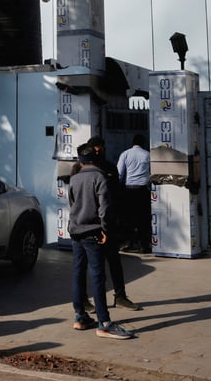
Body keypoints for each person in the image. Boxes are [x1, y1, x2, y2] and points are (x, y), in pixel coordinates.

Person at [68, 141, 135, 340]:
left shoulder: (74, 179)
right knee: (98, 276)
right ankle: (104, 323)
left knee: (78, 273)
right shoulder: (100, 177)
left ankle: (80, 316)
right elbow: (104, 208)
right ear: (96, 158)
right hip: (93, 232)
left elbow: (72, 204)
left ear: (81, 160)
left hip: (76, 231)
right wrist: (105, 229)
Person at [82, 138, 141, 311]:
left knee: (114, 260)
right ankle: (85, 301)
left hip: (109, 223)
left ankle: (120, 296)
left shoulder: (109, 168)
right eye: (96, 150)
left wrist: (117, 220)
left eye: (101, 149)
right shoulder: (82, 170)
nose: (99, 153)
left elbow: (116, 194)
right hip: (90, 224)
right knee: (87, 265)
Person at [117, 134, 152, 253]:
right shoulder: (148, 154)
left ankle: (131, 244)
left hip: (129, 190)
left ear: (133, 143)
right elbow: (152, 172)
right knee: (143, 218)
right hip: (143, 190)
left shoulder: (125, 154)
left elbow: (119, 173)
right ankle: (144, 245)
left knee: (129, 218)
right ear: (143, 143)